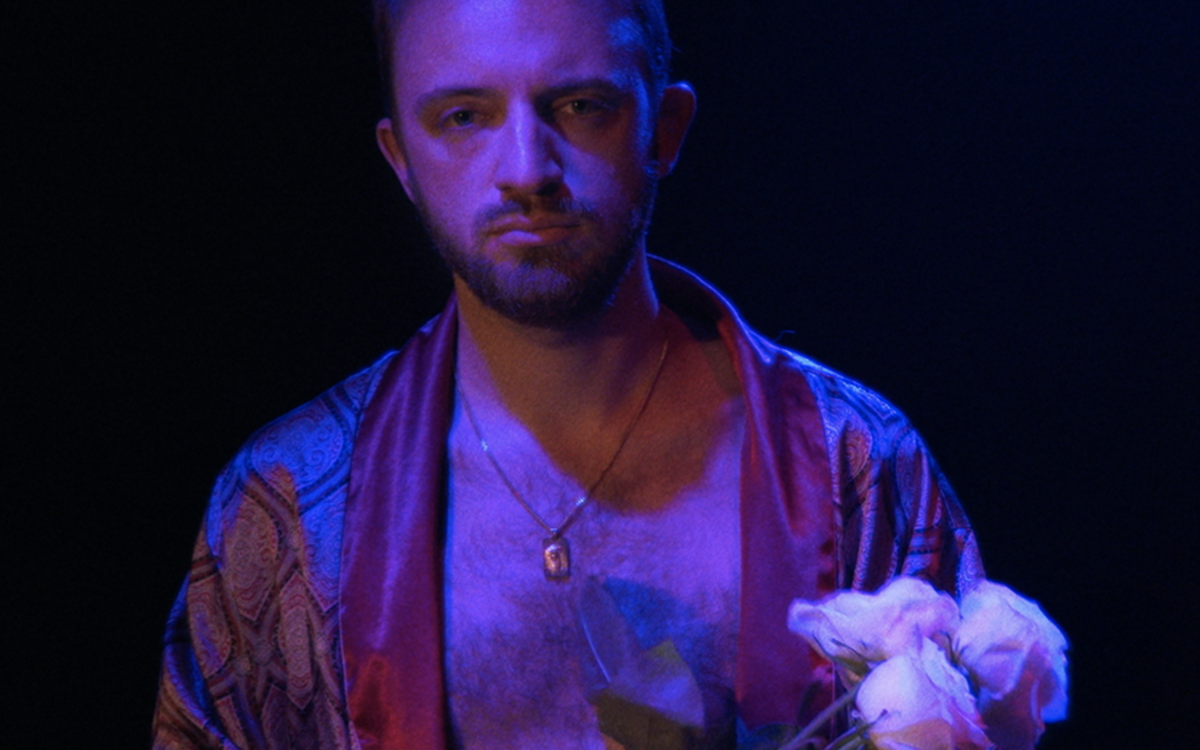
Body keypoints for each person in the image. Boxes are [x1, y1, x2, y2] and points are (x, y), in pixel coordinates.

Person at [151, 0, 983, 747]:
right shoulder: (288, 508)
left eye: (581, 106)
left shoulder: (857, 468)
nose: (526, 170)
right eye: (464, 117)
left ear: (665, 128)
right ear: (399, 157)